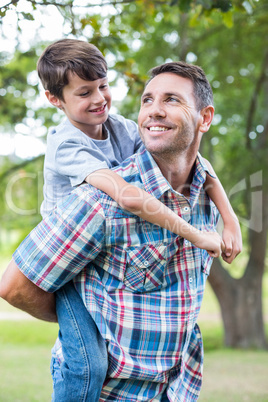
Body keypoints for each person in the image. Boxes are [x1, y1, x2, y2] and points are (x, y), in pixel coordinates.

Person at [0, 61, 242, 401]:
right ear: (56, 99)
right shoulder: (97, 200)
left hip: (177, 390)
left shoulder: (202, 196)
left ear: (204, 118)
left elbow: (203, 167)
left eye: (171, 99)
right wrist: (82, 322)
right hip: (112, 393)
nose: (154, 111)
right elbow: (13, 286)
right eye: (147, 100)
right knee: (87, 363)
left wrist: (230, 219)